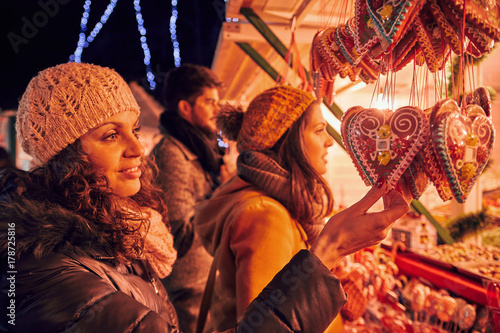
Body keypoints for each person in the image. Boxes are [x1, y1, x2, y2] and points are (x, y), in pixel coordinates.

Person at [0, 62, 409, 333]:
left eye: (133, 129)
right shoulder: (51, 275)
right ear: (64, 153)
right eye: (110, 134)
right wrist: (328, 252)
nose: (137, 148)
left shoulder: (116, 233)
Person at [193, 85, 410, 332]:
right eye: (319, 131)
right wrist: (333, 248)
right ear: (286, 141)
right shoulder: (265, 215)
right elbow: (269, 326)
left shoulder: (273, 203)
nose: (329, 141)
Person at [150, 64, 235, 333]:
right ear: (185, 108)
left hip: (207, 281)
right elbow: (180, 237)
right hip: (190, 290)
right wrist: (223, 191)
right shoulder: (172, 154)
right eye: (209, 103)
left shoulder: (197, 149)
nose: (217, 111)